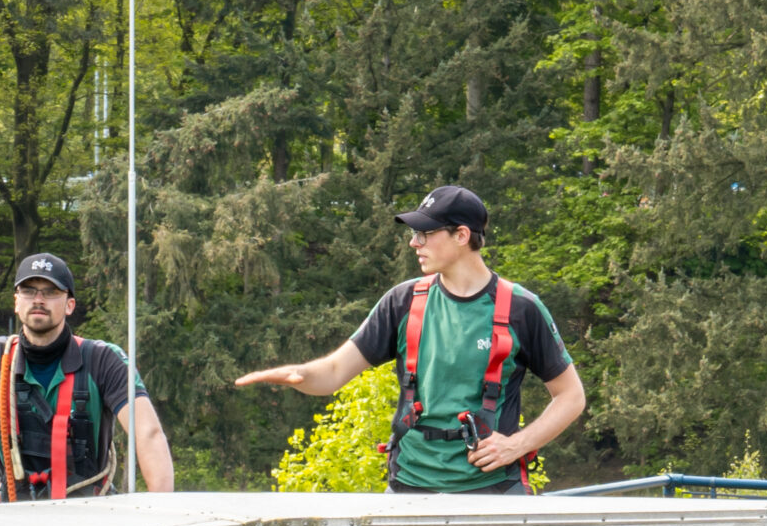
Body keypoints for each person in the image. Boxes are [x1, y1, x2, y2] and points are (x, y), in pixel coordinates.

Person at [235, 185, 585, 493]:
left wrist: (517, 445)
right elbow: (333, 372)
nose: (413, 242)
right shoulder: (403, 302)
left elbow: (571, 397)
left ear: (461, 236)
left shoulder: (520, 309)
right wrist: (298, 376)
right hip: (410, 485)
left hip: (491, 489)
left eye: (425, 233)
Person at [0, 251, 174, 503]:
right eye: (29, 291)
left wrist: (163, 521)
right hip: (15, 517)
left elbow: (148, 434)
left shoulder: (104, 360)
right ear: (16, 302)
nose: (39, 299)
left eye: (50, 292)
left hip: (93, 516)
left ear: (70, 305)